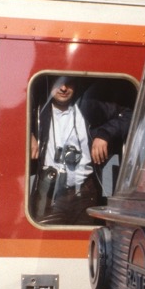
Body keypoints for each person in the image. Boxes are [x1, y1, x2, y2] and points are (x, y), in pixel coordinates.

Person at [30, 76, 132, 225]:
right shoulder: (38, 113)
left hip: (86, 193)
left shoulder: (89, 107)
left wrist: (105, 134)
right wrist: (28, 134)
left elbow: (129, 114)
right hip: (49, 195)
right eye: (58, 83)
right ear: (50, 83)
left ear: (76, 84)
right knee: (48, 245)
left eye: (68, 83)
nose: (64, 88)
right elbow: (7, 121)